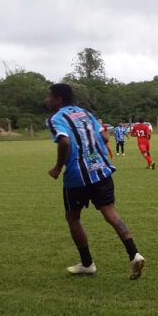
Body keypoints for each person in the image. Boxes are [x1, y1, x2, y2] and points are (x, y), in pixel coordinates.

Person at [45, 83, 145, 279]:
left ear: (58, 99)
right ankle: (134, 254)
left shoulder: (56, 119)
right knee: (111, 213)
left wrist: (57, 168)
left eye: (49, 96)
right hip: (101, 169)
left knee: (73, 217)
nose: (47, 100)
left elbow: (64, 141)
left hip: (77, 176)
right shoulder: (85, 113)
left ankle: (87, 263)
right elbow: (105, 136)